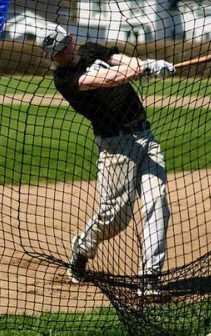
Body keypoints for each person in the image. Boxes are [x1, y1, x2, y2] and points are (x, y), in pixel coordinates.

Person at [38, 26, 173, 297]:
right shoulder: (64, 78)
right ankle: (82, 247)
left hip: (145, 135)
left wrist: (145, 64)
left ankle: (149, 279)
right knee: (115, 217)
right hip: (116, 148)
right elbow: (108, 79)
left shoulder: (89, 49)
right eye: (55, 54)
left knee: (157, 203)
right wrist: (142, 70)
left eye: (63, 49)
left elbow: (119, 59)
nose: (60, 56)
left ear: (71, 41)